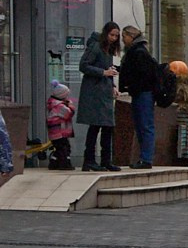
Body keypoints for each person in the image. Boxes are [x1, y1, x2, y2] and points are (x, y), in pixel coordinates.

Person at [117, 31, 172, 170]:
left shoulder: (139, 52)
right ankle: (143, 158)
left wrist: (130, 85)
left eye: (124, 36)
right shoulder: (137, 51)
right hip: (140, 93)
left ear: (131, 36)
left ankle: (146, 159)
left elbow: (142, 75)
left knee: (145, 126)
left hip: (143, 93)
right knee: (141, 126)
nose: (123, 40)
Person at [77, 24, 121, 170]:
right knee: (96, 126)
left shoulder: (108, 50)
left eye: (116, 36)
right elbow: (83, 65)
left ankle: (105, 160)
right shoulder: (96, 47)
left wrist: (113, 86)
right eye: (112, 35)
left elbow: (107, 70)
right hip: (95, 93)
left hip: (104, 92)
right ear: (106, 34)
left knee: (107, 127)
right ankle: (89, 159)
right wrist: (103, 73)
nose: (114, 38)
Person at [45, 78, 75, 171]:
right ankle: (64, 164)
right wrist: (71, 106)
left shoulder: (53, 103)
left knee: (58, 149)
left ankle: (54, 163)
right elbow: (68, 114)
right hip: (60, 131)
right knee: (64, 148)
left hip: (54, 132)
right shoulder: (59, 106)